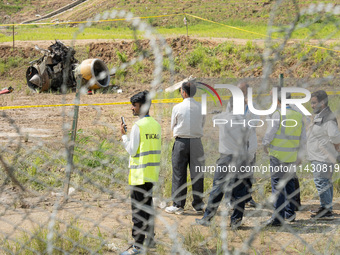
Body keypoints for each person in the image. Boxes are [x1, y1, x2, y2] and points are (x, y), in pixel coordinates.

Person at [195, 96, 250, 229]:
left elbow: (214, 119)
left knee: (217, 189)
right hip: (242, 157)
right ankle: (236, 221)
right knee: (239, 191)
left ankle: (207, 218)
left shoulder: (223, 118)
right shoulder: (246, 121)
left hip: (226, 158)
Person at [120, 90, 161, 255]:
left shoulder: (138, 126)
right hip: (151, 173)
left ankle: (137, 246)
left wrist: (123, 136)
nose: (132, 108)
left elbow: (132, 150)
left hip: (138, 175)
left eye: (134, 105)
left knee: (138, 211)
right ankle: (150, 240)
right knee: (148, 208)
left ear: (142, 106)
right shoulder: (156, 125)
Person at [262, 91, 306, 227]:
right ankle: (290, 213)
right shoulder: (298, 116)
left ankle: (277, 218)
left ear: (278, 101)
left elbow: (270, 133)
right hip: (292, 156)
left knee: (278, 186)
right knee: (289, 184)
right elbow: (303, 139)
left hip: (278, 156)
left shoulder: (278, 114)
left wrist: (265, 144)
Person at [165, 81, 205, 215]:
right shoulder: (201, 107)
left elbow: (172, 126)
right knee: (197, 174)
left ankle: (178, 205)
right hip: (197, 143)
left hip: (181, 142)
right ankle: (198, 204)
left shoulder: (177, 107)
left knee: (179, 173)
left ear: (183, 92)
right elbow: (202, 124)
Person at [307, 90, 340, 219]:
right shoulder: (321, 115)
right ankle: (326, 207)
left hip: (323, 156)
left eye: (314, 103)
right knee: (325, 181)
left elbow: (335, 136)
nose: (312, 105)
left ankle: (326, 210)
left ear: (322, 102)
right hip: (320, 156)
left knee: (321, 181)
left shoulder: (327, 117)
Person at [226, 82, 257, 208]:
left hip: (249, 142)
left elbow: (256, 121)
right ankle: (230, 199)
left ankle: (248, 197)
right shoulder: (231, 103)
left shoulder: (253, 105)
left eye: (242, 91)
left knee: (248, 172)